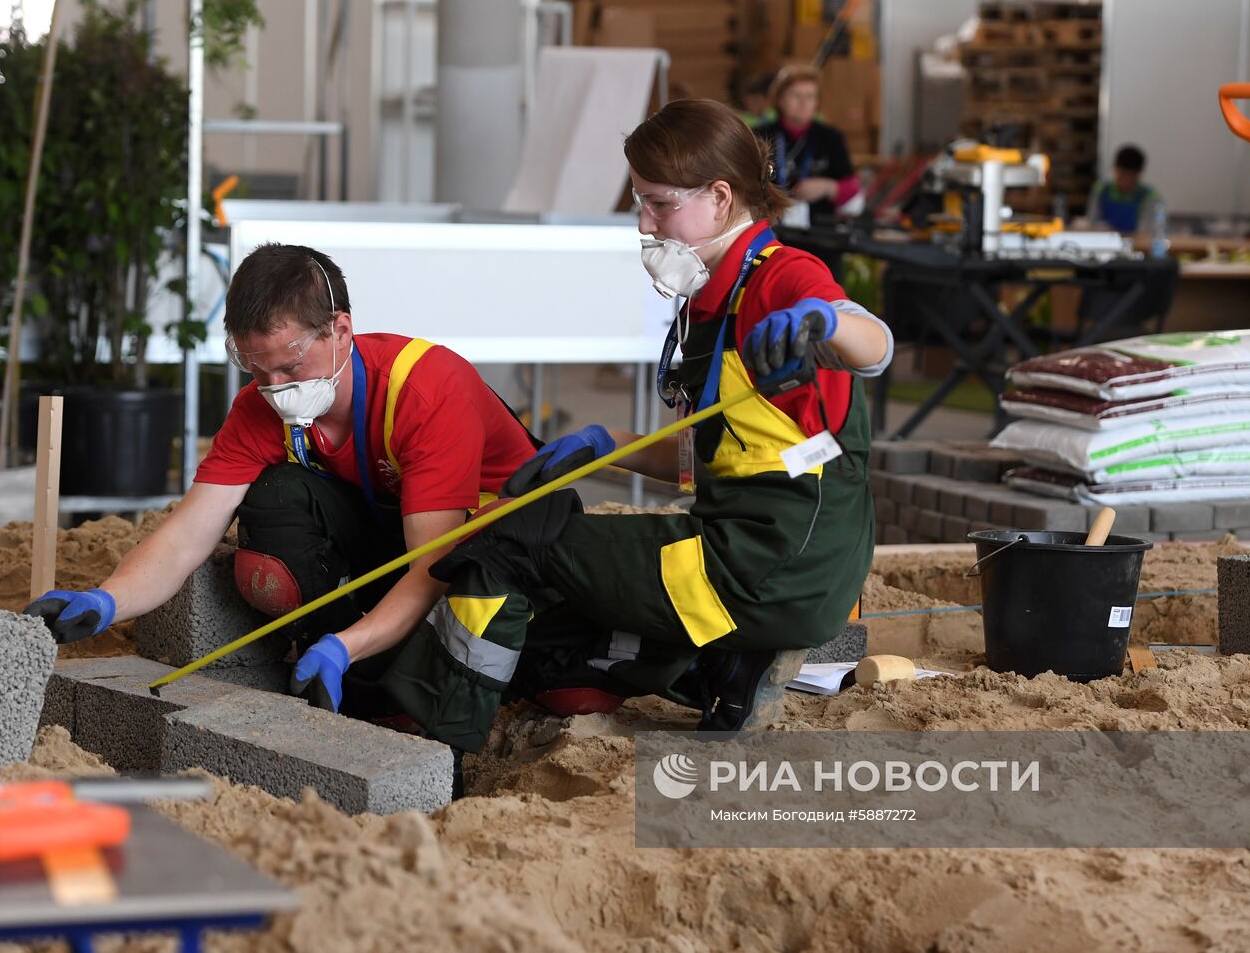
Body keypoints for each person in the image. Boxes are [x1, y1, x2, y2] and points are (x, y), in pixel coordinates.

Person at [369, 98, 893, 754]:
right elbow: (727, 455)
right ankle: (722, 669)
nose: (645, 224)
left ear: (722, 197)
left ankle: (432, 732)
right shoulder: (713, 295)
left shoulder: (783, 278)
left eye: (660, 204)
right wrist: (606, 447)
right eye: (640, 204)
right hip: (770, 555)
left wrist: (825, 323)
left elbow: (874, 345)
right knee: (557, 634)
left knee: (512, 541)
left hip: (764, 564)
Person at [24, 244, 537, 734]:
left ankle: (380, 673)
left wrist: (347, 646)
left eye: (290, 367)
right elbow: (186, 537)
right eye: (256, 368)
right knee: (278, 496)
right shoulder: (262, 406)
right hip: (397, 529)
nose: (274, 388)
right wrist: (106, 601)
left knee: (468, 604)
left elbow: (432, 566)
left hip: (499, 555)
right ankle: (331, 668)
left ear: (340, 330)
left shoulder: (425, 390)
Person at [754, 65, 861, 222]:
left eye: (810, 96)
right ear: (780, 99)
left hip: (819, 228)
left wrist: (827, 187)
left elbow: (852, 186)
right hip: (769, 223)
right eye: (796, 95)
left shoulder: (831, 137)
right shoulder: (759, 136)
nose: (804, 103)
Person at [1085, 145, 1162, 235]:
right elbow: (1092, 222)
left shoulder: (1149, 196)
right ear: (1115, 169)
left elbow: (1146, 230)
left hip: (1137, 244)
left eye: (1131, 177)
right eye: (1122, 175)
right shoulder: (1101, 190)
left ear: (1139, 174)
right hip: (1106, 241)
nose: (1126, 181)